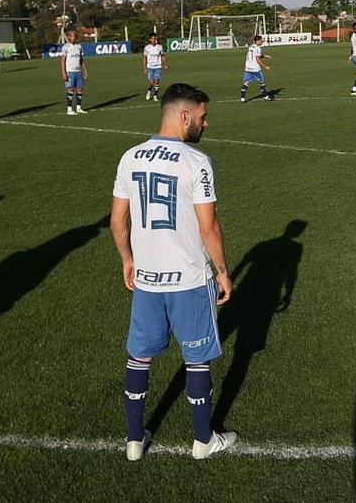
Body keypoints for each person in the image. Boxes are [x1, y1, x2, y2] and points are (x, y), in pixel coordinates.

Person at [112, 83, 238, 460]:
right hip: (188, 278)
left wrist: (127, 260)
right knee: (196, 358)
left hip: (148, 279)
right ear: (184, 116)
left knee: (140, 357)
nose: (206, 123)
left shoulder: (129, 157)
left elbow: (118, 221)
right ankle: (203, 440)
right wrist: (223, 271)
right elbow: (208, 228)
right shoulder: (195, 161)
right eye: (202, 116)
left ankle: (134, 440)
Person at [63, 31, 87, 116]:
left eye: (75, 36)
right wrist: (64, 73)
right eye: (72, 36)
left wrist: (84, 69)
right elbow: (62, 61)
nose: (74, 38)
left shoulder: (79, 46)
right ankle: (69, 109)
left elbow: (81, 59)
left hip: (78, 71)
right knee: (70, 89)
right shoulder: (66, 47)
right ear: (69, 37)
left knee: (80, 89)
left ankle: (79, 108)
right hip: (70, 71)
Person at [241, 34, 271, 103]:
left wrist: (264, 56)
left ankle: (242, 98)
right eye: (261, 40)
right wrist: (265, 66)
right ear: (257, 41)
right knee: (262, 82)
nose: (262, 41)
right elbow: (257, 59)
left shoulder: (251, 47)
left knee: (246, 83)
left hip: (248, 68)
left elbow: (255, 56)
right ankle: (266, 96)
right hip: (255, 69)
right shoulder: (258, 48)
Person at [142, 34, 168, 102]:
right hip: (150, 67)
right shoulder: (147, 48)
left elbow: (162, 55)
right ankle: (149, 91)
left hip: (158, 66)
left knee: (156, 81)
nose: (154, 40)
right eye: (152, 38)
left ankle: (155, 95)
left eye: (155, 38)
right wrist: (144, 68)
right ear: (150, 39)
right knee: (151, 82)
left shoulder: (159, 47)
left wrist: (165, 64)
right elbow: (144, 58)